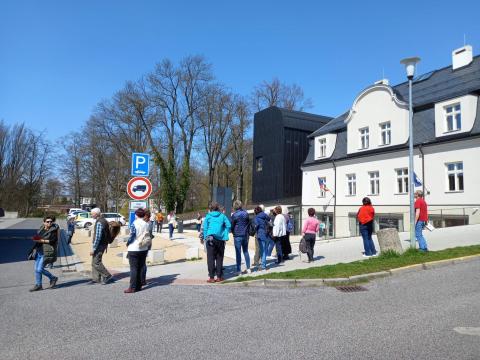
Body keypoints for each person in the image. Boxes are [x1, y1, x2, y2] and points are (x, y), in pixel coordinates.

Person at [203, 202, 231, 283]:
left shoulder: (208, 216)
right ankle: (219, 277)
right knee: (219, 257)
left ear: (211, 208)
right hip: (220, 239)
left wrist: (205, 238)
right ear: (218, 208)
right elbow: (228, 225)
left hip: (210, 238)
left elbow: (205, 228)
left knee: (210, 258)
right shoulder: (222, 216)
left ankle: (211, 277)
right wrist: (225, 234)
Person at [30, 216, 59, 292]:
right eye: (47, 221)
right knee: (36, 269)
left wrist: (41, 240)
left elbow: (53, 240)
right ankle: (38, 285)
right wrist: (35, 238)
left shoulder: (53, 230)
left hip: (46, 252)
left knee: (40, 269)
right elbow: (37, 237)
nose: (49, 223)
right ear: (44, 222)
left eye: (51, 221)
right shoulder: (41, 229)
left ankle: (53, 278)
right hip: (38, 251)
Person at [124, 208, 150, 293]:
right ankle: (139, 285)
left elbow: (132, 236)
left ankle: (132, 287)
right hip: (144, 247)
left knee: (133, 268)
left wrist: (128, 243)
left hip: (134, 247)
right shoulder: (146, 224)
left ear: (136, 215)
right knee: (141, 266)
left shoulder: (134, 223)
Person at [89, 208, 114, 284]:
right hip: (103, 244)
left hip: (100, 245)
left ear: (96, 214)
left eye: (92, 213)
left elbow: (98, 237)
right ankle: (96, 278)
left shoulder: (100, 222)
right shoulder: (103, 220)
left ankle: (107, 275)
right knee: (94, 261)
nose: (91, 215)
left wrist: (93, 248)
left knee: (96, 262)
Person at [231, 200, 251, 275]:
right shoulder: (246, 213)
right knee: (246, 251)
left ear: (234, 206)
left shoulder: (234, 215)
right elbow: (248, 223)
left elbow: (232, 226)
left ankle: (239, 270)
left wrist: (233, 232)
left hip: (237, 235)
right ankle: (248, 268)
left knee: (238, 253)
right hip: (245, 235)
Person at [254, 206, 270, 271]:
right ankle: (263, 265)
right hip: (266, 234)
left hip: (260, 234)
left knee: (262, 250)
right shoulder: (265, 215)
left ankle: (263, 266)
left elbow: (256, 225)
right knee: (264, 250)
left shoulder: (256, 217)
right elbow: (269, 219)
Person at [141, 209, 154, 286]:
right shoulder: (147, 223)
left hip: (146, 244)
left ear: (146, 216)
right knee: (142, 261)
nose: (142, 217)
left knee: (142, 262)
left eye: (143, 216)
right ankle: (142, 279)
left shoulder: (148, 224)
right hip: (147, 243)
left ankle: (142, 280)